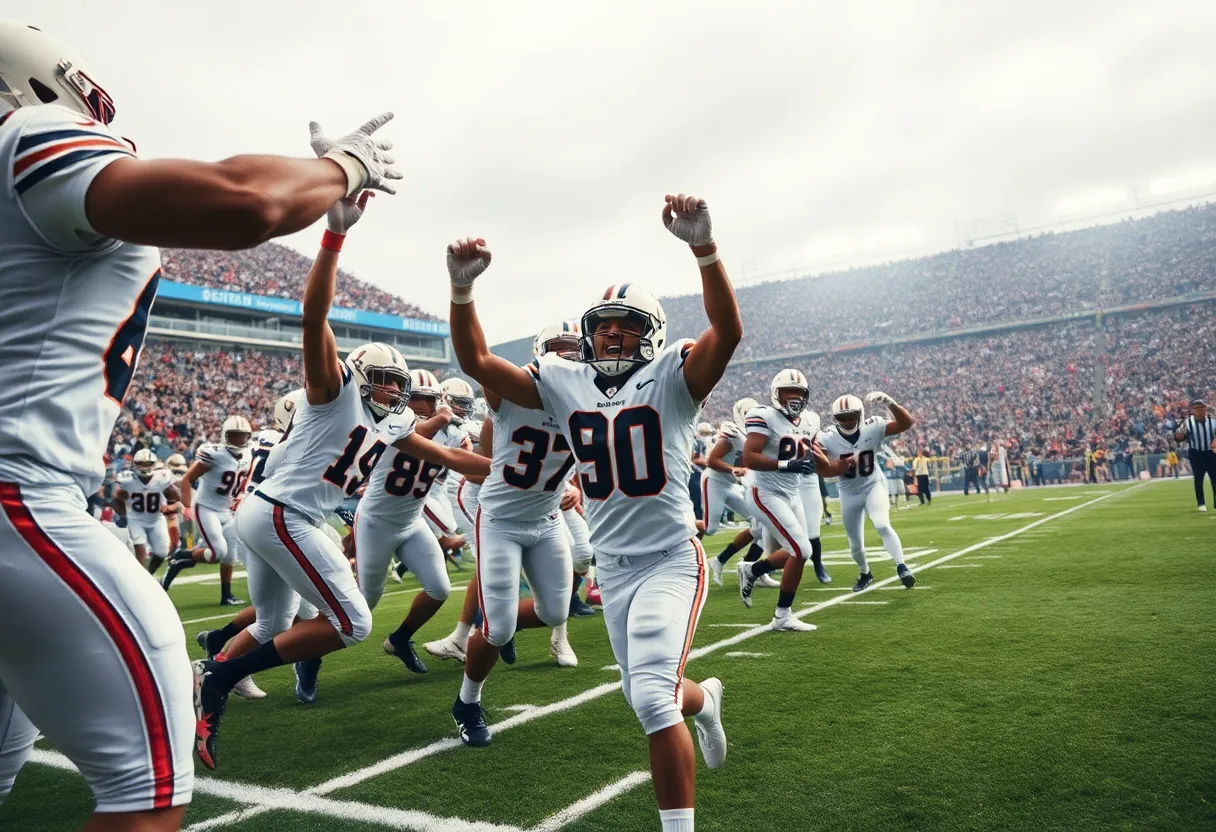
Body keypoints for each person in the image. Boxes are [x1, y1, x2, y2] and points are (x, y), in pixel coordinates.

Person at [0, 19, 398, 829]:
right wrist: (344, 166)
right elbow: (245, 202)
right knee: (144, 791)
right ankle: (225, 669)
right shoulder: (29, 134)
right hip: (20, 502)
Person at [446, 193, 737, 832]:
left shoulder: (672, 376)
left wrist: (704, 249)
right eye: (605, 323)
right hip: (613, 566)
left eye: (628, 324)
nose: (612, 332)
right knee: (650, 697)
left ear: (651, 334)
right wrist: (462, 293)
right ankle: (707, 699)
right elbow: (477, 364)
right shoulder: (562, 380)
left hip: (669, 560)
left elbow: (728, 332)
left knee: (654, 702)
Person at [192, 179, 481, 770]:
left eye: (398, 387)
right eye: (383, 382)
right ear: (359, 374)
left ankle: (202, 674)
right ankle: (221, 674)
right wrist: (335, 234)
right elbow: (313, 312)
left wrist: (516, 472)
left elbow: (449, 458)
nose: (391, 393)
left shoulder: (394, 426)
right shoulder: (333, 392)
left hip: (277, 515)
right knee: (352, 622)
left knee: (275, 620)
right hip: (280, 513)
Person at [736, 369, 847, 628]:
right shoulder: (764, 416)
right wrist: (787, 465)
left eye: (800, 392)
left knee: (796, 550)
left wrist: (837, 468)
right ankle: (782, 616)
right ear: (777, 394)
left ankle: (751, 570)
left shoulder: (810, 420)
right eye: (789, 391)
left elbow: (820, 464)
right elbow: (749, 457)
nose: (795, 397)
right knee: (802, 549)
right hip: (764, 491)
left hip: (791, 493)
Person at [818, 393, 918, 592]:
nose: (847, 422)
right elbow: (820, 468)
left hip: (873, 484)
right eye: (841, 418)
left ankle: (902, 565)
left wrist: (891, 404)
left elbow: (906, 423)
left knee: (882, 524)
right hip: (848, 491)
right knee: (855, 543)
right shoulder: (826, 437)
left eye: (851, 416)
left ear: (861, 414)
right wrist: (833, 466)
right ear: (834, 418)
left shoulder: (873, 426)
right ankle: (865, 573)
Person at [161, 415, 252, 603]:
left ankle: (225, 596)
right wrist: (187, 508)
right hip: (206, 508)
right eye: (234, 435)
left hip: (227, 510)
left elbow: (243, 481)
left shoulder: (249, 454)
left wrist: (240, 497)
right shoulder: (215, 454)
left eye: (242, 436)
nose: (239, 440)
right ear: (225, 436)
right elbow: (187, 479)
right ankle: (181, 556)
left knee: (230, 555)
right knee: (218, 552)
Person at [112, 449, 180, 568]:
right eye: (141, 463)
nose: (144, 467)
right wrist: (119, 503)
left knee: (162, 552)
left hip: (157, 519)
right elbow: (116, 499)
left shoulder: (162, 478)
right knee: (140, 547)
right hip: (136, 519)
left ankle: (149, 575)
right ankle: (142, 579)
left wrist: (170, 508)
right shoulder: (127, 480)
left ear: (154, 464)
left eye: (147, 463)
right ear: (134, 464)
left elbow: (175, 500)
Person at [1174, 400, 1216, 512]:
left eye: (1203, 408)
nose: (1202, 410)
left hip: (1211, 453)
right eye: (1199, 408)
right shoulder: (1187, 422)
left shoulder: (1213, 421)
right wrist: (1179, 436)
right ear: (1194, 410)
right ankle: (1201, 503)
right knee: (1198, 479)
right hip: (1196, 453)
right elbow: (1179, 437)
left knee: (1215, 478)